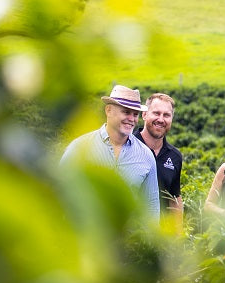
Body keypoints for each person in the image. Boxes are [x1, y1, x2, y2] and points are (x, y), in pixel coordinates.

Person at [60, 84, 160, 221]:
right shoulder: (79, 148)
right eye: (126, 112)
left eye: (135, 114)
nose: (132, 119)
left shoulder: (146, 156)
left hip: (129, 241)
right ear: (109, 110)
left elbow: (151, 209)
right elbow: (57, 195)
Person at [136, 92, 184, 226]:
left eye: (166, 115)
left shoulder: (174, 156)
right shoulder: (128, 146)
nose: (161, 119)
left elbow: (174, 198)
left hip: (160, 238)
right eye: (156, 113)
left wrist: (177, 237)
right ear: (144, 114)